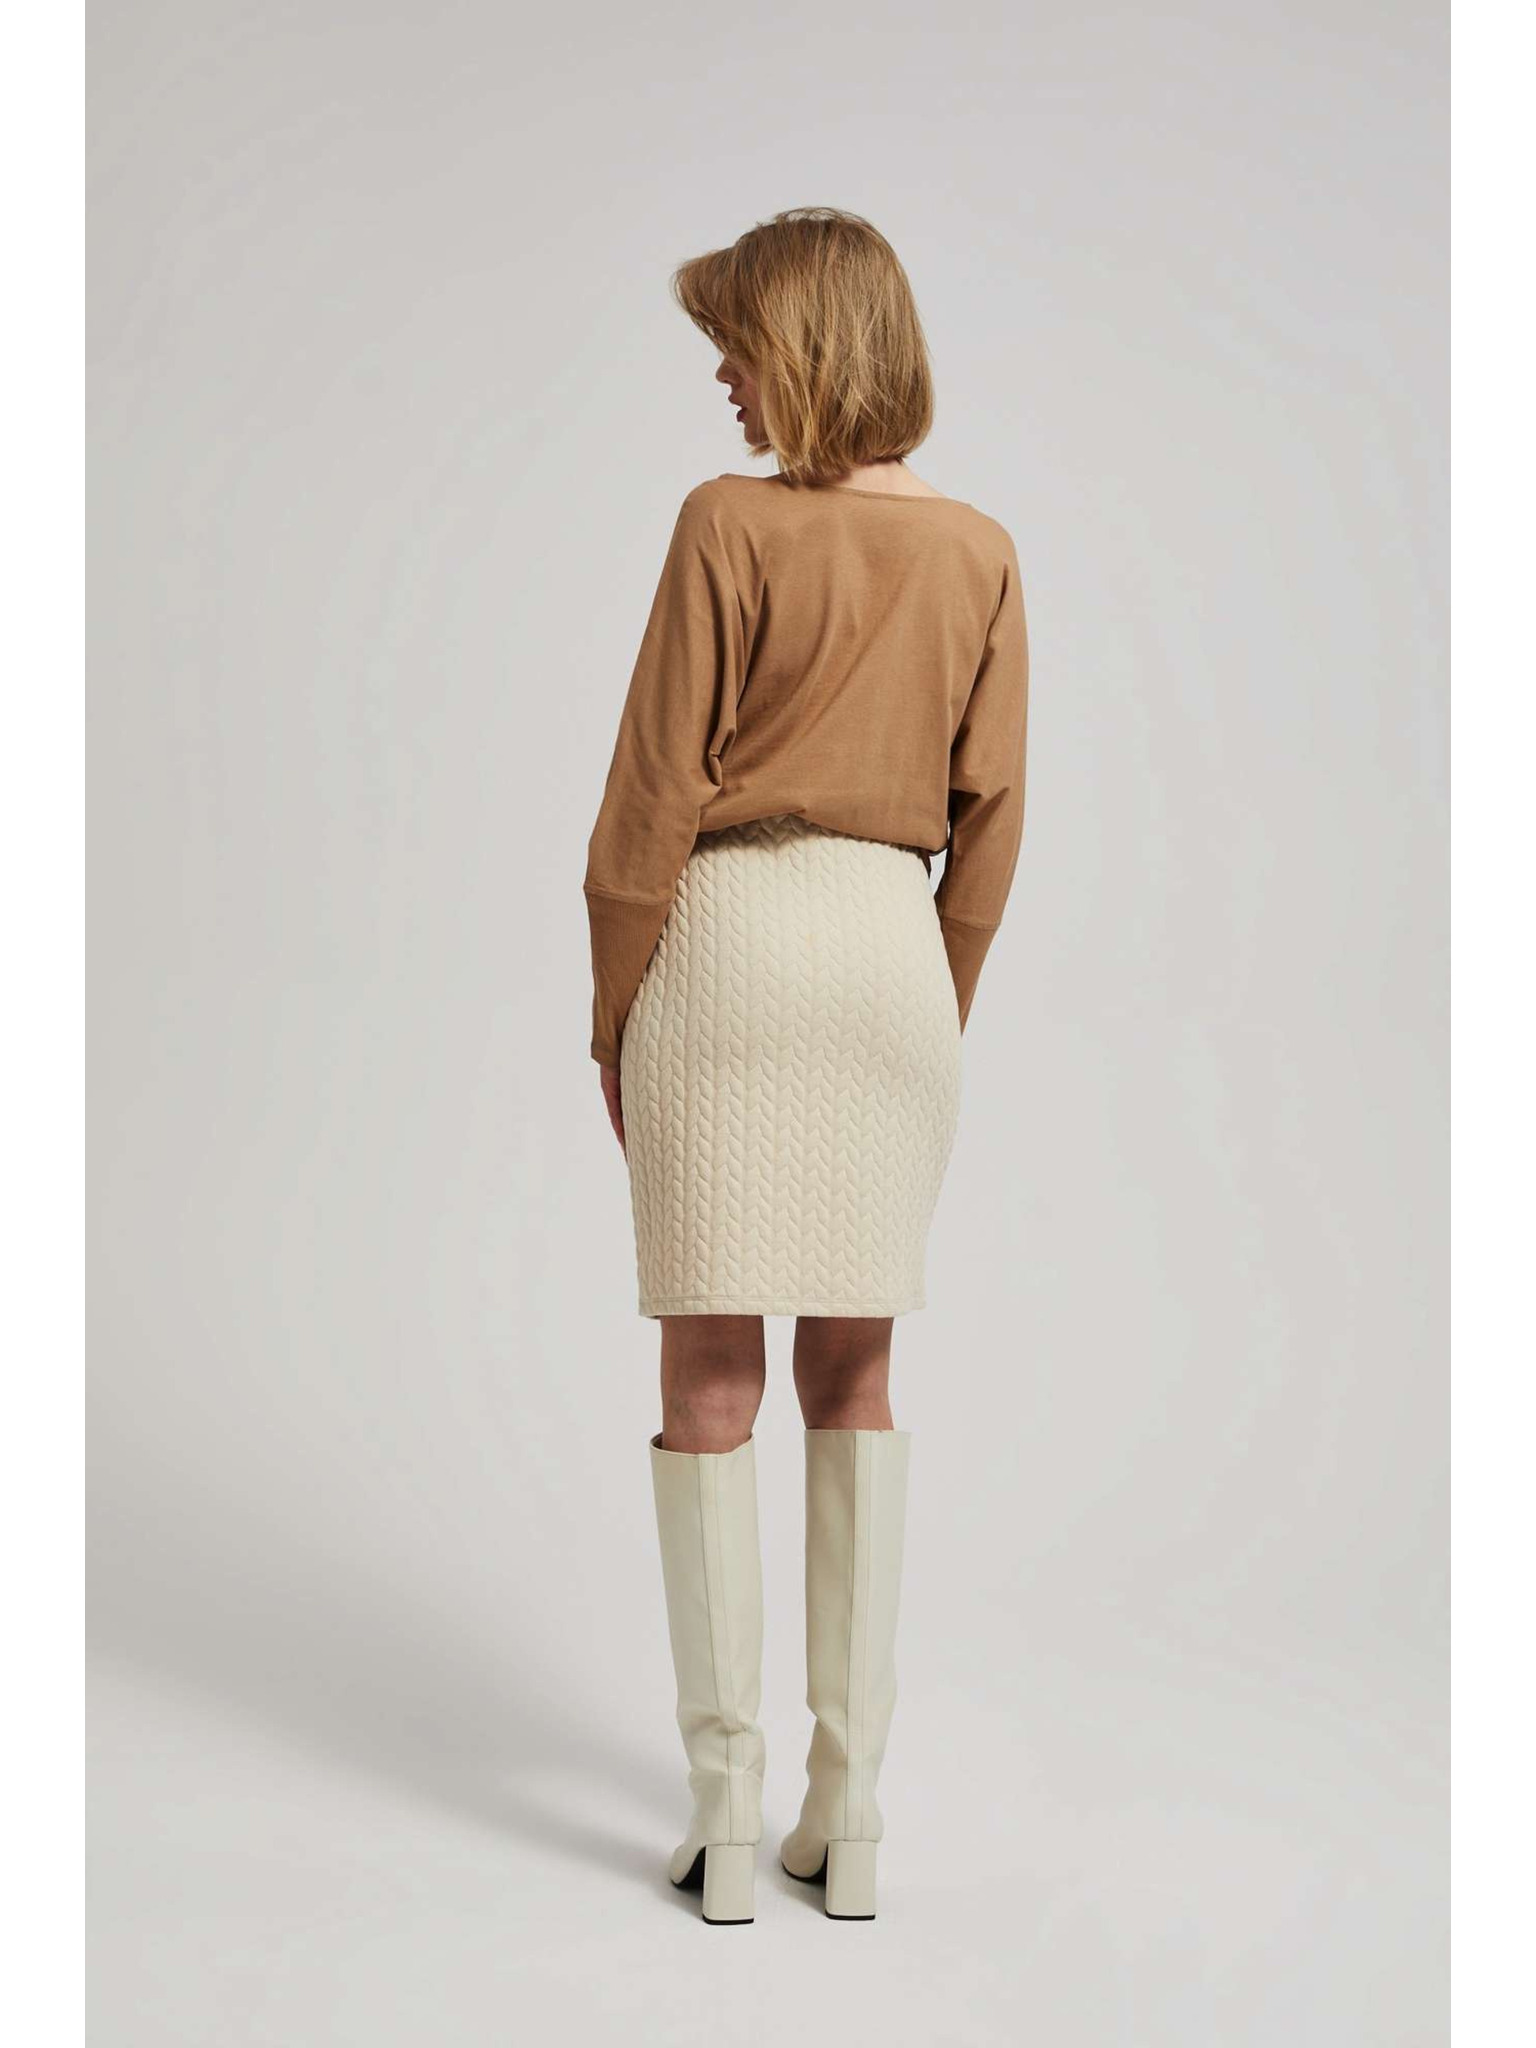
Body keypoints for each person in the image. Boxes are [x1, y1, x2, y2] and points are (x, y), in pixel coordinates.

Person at [582, 206, 1029, 1924]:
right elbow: (990, 829)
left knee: (714, 1375)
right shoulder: (982, 551)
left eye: (738, 344)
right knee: (858, 1371)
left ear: (809, 350)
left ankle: (724, 1818)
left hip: (731, 945)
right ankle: (852, 1817)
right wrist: (931, 1010)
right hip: (889, 957)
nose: (721, 377)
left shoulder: (728, 522)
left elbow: (649, 800)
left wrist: (615, 1011)